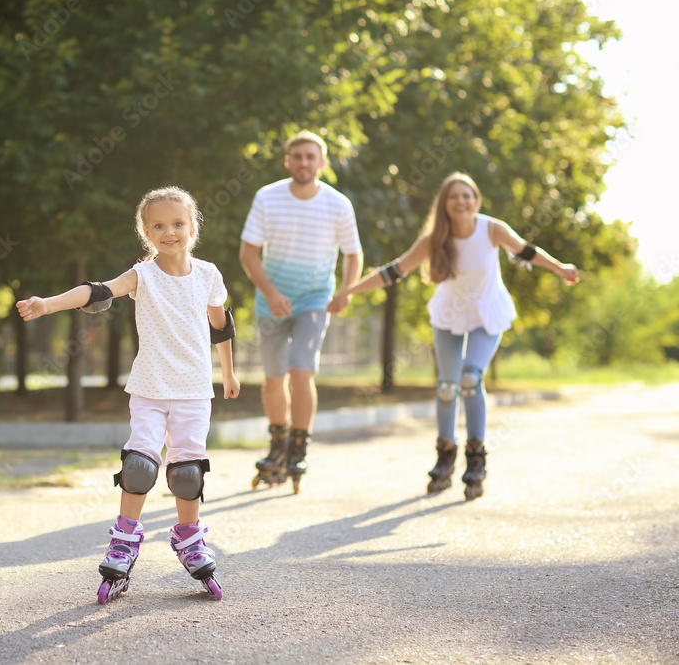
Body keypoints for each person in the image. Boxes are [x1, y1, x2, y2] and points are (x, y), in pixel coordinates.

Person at [16, 186, 239, 602]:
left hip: (193, 391)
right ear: (146, 232)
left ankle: (190, 541)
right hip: (151, 388)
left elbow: (220, 324)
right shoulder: (144, 275)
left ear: (193, 227)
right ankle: (123, 543)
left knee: (187, 471)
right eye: (158, 225)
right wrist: (48, 304)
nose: (169, 231)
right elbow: (98, 291)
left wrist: (228, 372)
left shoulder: (209, 274)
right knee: (140, 464)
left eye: (177, 224)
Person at [343, 171, 579, 500]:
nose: (461, 201)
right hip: (449, 314)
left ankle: (476, 459)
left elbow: (526, 251)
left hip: (487, 312)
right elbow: (394, 271)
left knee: (470, 379)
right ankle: (444, 455)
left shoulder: (491, 228)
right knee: (446, 387)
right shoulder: (433, 239)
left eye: (467, 195)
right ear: (444, 204)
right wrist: (349, 291)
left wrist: (559, 267)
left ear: (476, 200)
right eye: (454, 196)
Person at [239, 130, 363, 490]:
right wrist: (272, 294)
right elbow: (248, 254)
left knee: (300, 370)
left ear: (322, 162)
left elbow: (354, 254)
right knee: (273, 378)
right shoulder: (267, 197)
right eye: (298, 157)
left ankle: (298, 448)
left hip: (314, 300)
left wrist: (347, 291)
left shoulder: (338, 204)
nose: (304, 163)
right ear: (288, 161)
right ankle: (277, 446)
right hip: (270, 301)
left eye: (311, 157)